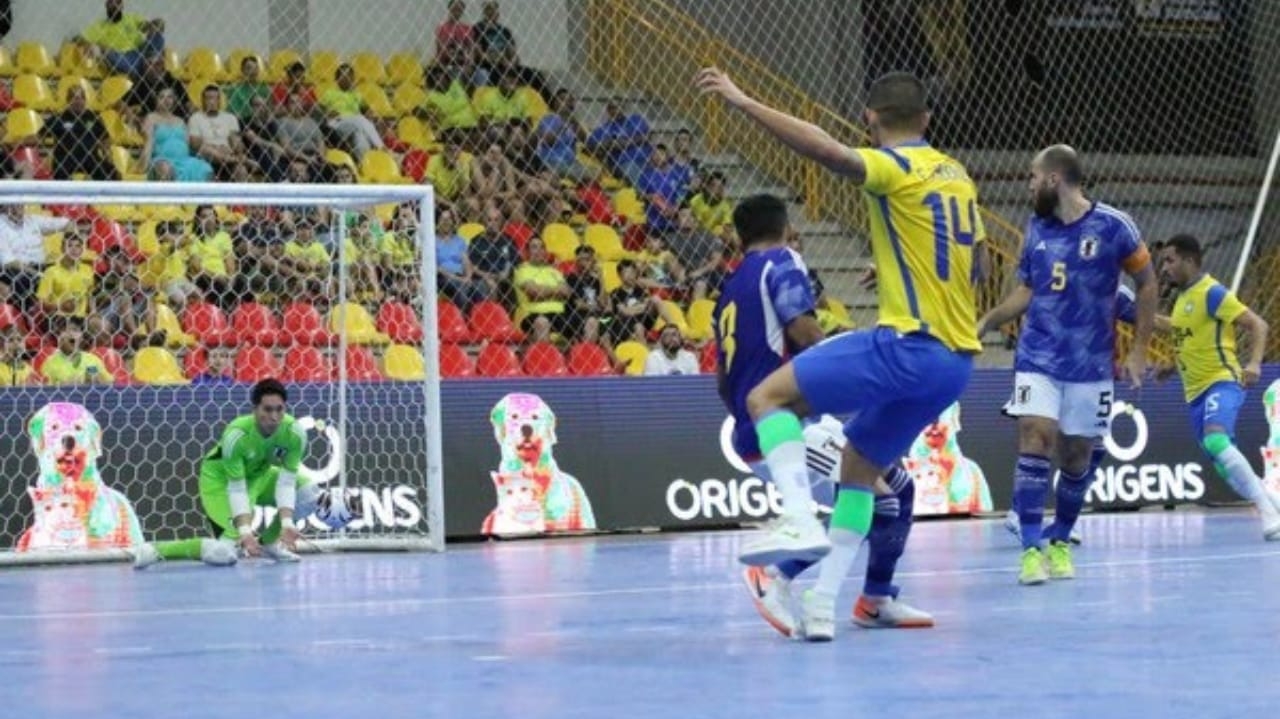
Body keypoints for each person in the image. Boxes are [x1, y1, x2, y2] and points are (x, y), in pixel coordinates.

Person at [697, 68, 988, 641]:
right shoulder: (958, 176)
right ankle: (825, 602)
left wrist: (745, 102)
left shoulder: (893, 166)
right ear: (927, 118)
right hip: (955, 365)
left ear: (869, 119)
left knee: (766, 398)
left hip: (908, 344)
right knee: (861, 469)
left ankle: (797, 520)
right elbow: (974, 262)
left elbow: (826, 151)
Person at [977, 146, 1157, 586]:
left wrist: (1139, 350)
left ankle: (1059, 540)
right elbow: (1027, 291)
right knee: (1035, 436)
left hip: (1091, 364)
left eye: (1033, 177)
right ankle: (1030, 549)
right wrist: (988, 320)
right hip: (1038, 356)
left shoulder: (1114, 225)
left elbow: (1147, 283)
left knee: (1076, 456)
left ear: (1054, 179)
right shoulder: (1036, 227)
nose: (1029, 185)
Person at [1153, 234, 1280, 539]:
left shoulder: (1212, 292)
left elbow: (1258, 324)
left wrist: (1254, 364)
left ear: (1189, 260)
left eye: (1170, 260)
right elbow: (1188, 336)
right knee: (1222, 463)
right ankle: (1274, 504)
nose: (1164, 267)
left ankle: (1267, 513)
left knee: (1216, 440)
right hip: (1195, 394)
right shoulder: (1184, 298)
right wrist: (1172, 367)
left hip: (1221, 382)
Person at [131, 379, 331, 568]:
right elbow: (237, 489)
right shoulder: (236, 435)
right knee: (223, 554)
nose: (274, 417)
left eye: (279, 409)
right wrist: (245, 531)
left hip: (260, 476)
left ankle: (269, 543)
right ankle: (157, 550)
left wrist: (287, 523)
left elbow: (286, 482)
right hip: (221, 482)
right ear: (255, 409)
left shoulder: (294, 433)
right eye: (267, 409)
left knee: (309, 493)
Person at [1001, 284, 1139, 544]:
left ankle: (1062, 521)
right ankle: (1019, 513)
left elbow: (1146, 318)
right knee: (1039, 443)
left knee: (1092, 447)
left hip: (1088, 377)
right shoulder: (1058, 279)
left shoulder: (1116, 291)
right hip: (1046, 370)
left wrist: (1185, 326)